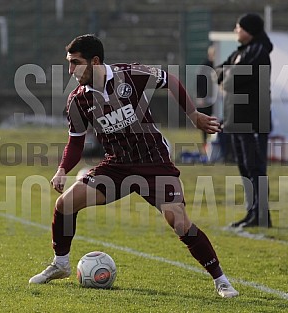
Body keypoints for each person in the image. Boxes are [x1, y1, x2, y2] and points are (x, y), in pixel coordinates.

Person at [28, 34, 239, 298]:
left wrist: (193, 115)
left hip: (154, 161)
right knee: (65, 204)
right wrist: (62, 170)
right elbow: (76, 143)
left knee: (179, 221)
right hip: (116, 165)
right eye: (69, 64)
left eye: (76, 63)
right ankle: (60, 264)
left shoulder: (129, 74)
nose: (71, 71)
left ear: (95, 61)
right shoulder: (77, 100)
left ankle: (220, 280)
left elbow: (170, 80)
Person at [216, 13, 273, 228]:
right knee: (244, 166)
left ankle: (262, 214)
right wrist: (227, 74)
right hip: (236, 119)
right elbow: (218, 72)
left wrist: (227, 75)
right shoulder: (241, 52)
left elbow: (232, 79)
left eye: (238, 27)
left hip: (253, 119)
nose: (235, 31)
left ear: (249, 30)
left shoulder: (258, 50)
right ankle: (252, 211)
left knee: (255, 166)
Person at [196, 45, 215, 151]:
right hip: (206, 98)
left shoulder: (219, 65)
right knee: (205, 121)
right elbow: (199, 82)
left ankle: (214, 143)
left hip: (216, 98)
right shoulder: (205, 66)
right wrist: (201, 97)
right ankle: (205, 144)